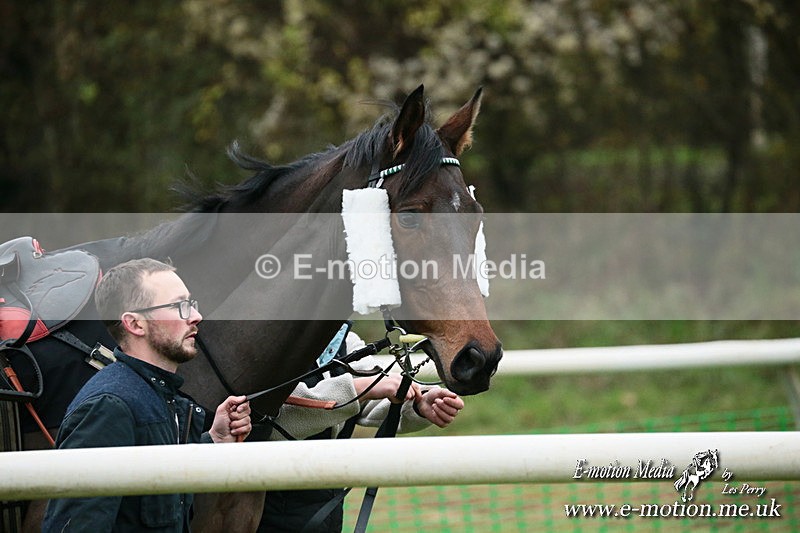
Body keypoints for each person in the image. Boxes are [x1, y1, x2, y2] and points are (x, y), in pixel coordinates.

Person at [42, 258, 251, 533]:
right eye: (179, 306)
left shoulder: (159, 396)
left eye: (191, 304)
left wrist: (214, 440)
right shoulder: (109, 407)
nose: (195, 316)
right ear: (135, 324)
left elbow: (159, 470)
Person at [257, 326, 465, 532]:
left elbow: (371, 400)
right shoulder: (266, 337)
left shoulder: (346, 340)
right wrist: (361, 389)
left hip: (327, 508)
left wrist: (418, 405)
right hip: (262, 508)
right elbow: (271, 415)